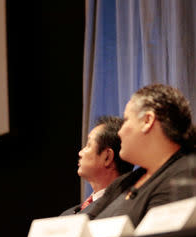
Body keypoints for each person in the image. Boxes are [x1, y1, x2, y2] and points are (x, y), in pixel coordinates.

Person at [88, 84, 196, 226]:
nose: (120, 132)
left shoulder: (184, 176)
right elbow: (83, 224)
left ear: (147, 121)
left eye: (126, 120)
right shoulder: (123, 183)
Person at [60, 116, 134, 215]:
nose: (80, 153)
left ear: (107, 157)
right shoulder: (66, 215)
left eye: (89, 145)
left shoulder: (126, 209)